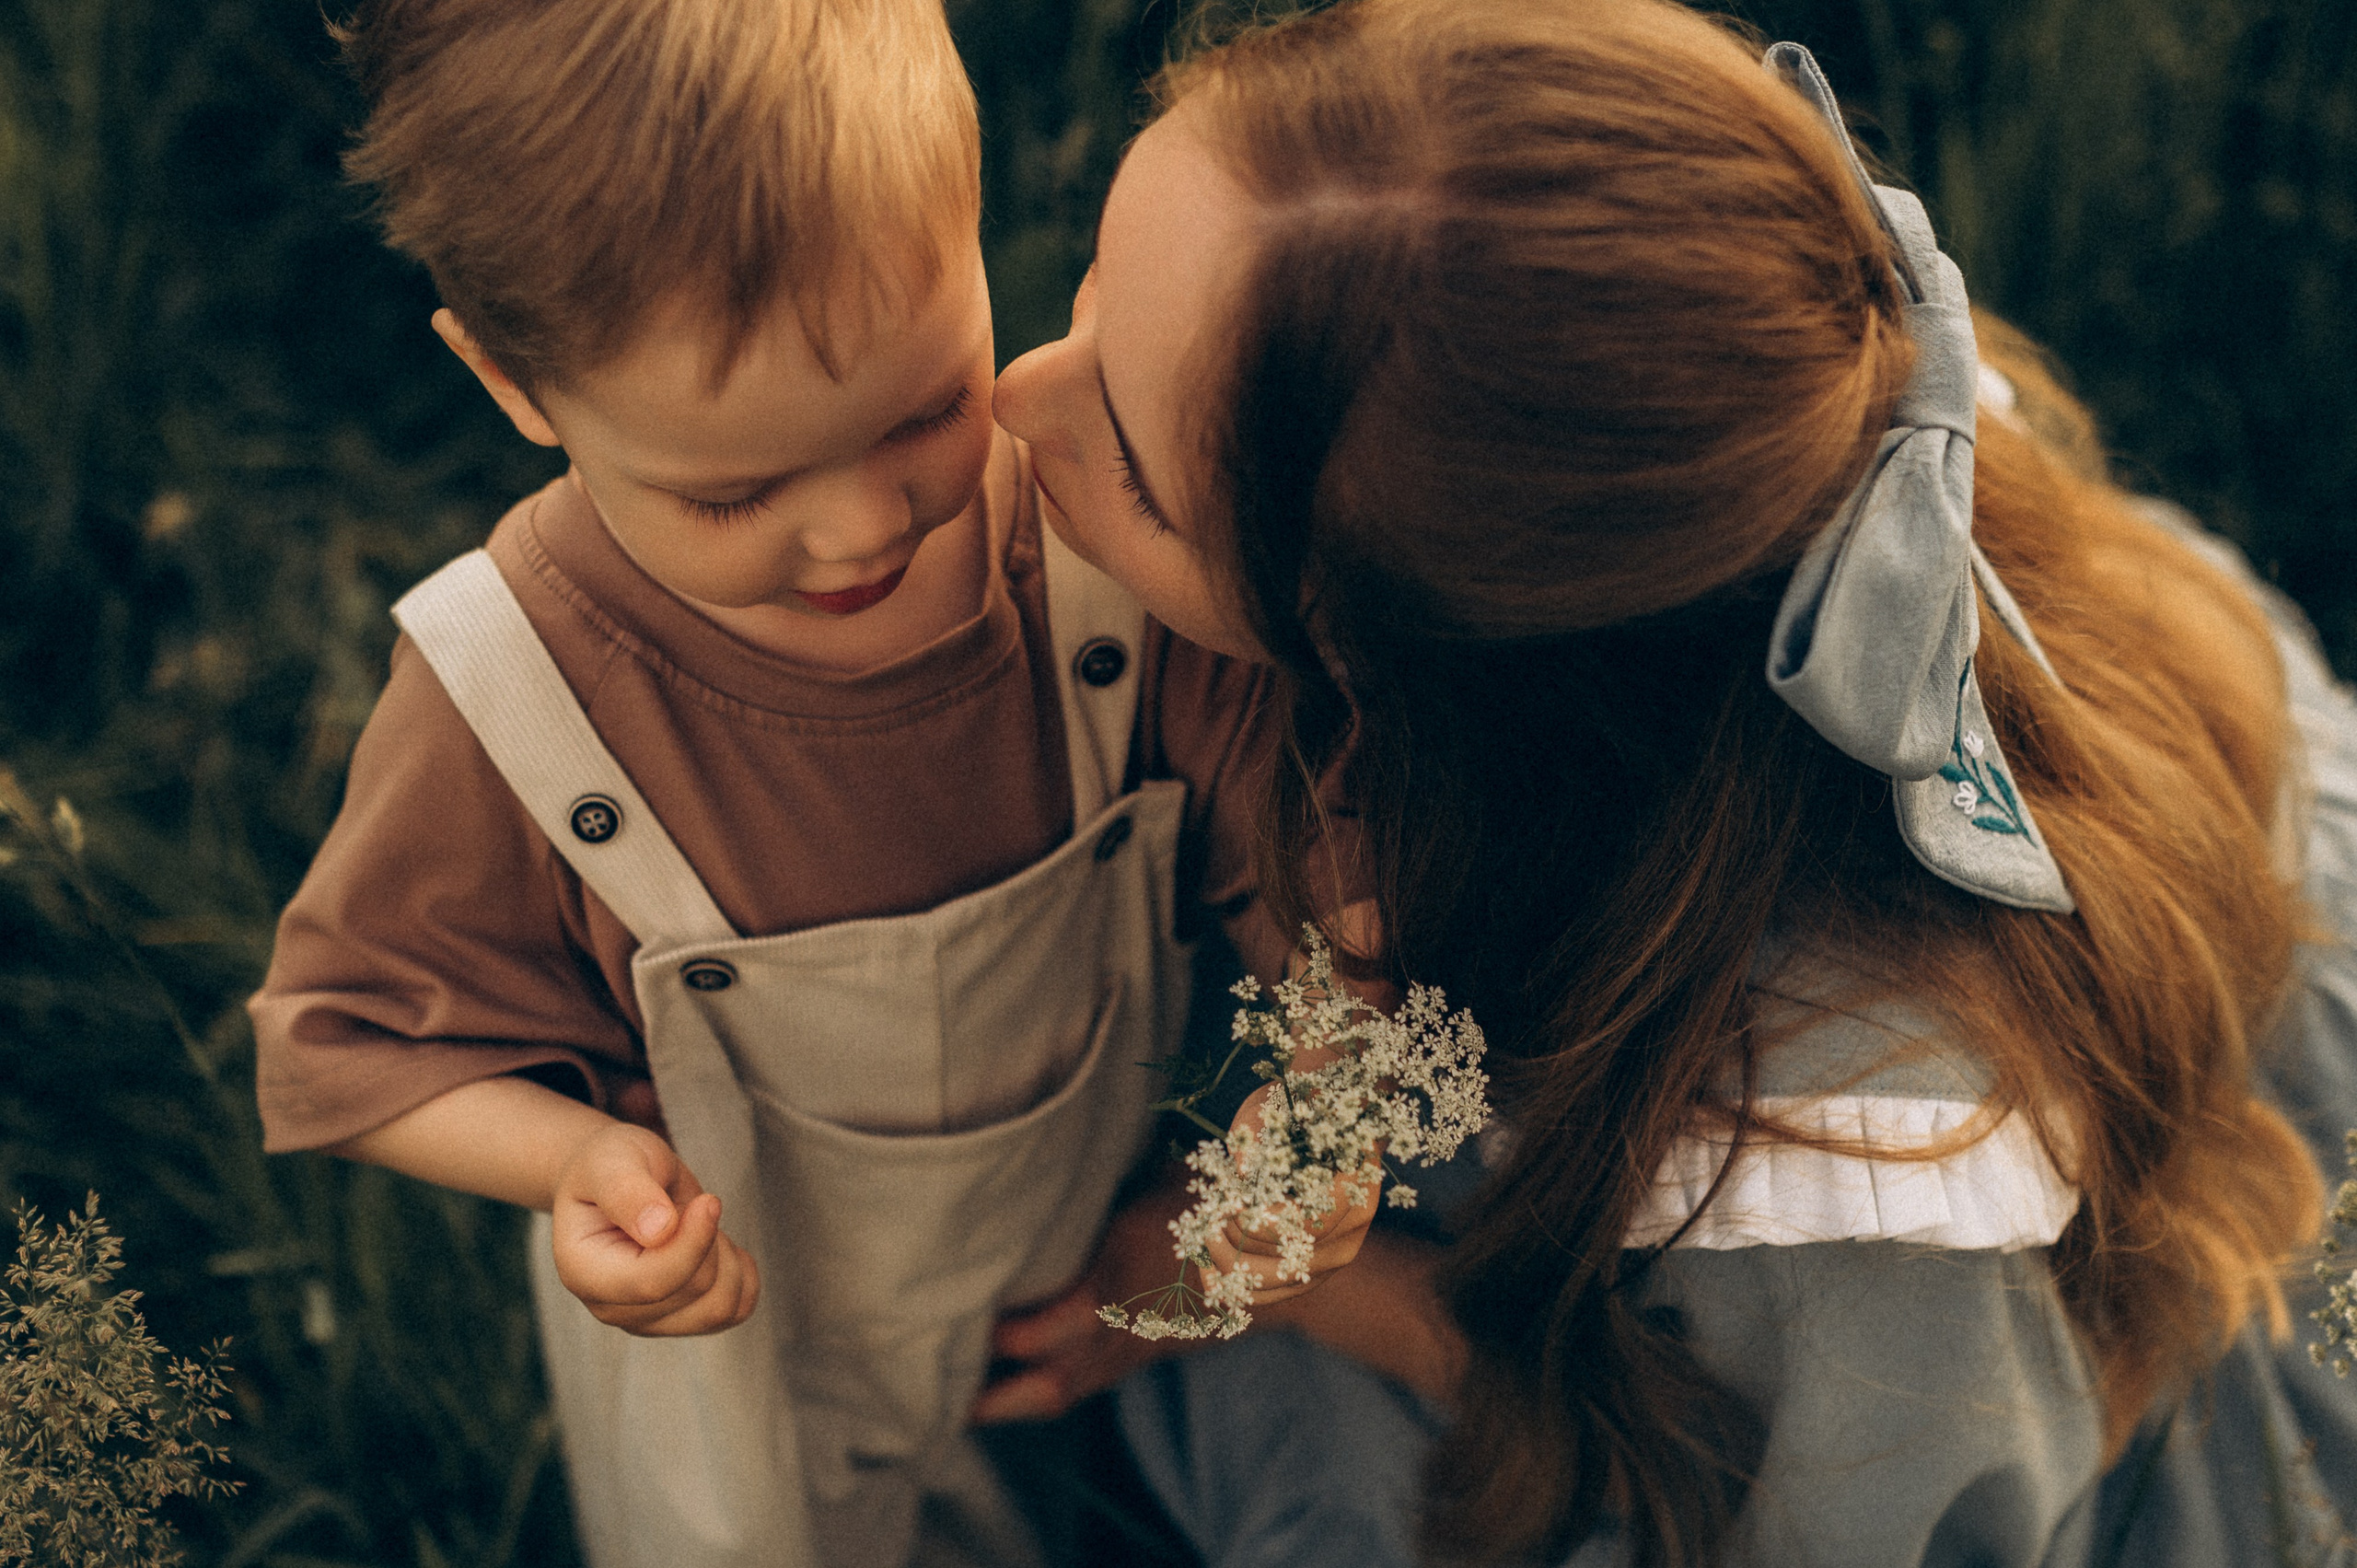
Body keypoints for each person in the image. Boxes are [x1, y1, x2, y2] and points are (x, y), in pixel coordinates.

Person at [989, 0, 2357, 1562]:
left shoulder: (1858, 1167)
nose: (1017, 394)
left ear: (1428, 668)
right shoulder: (1754, 444)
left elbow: (1763, 1492)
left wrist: (1326, 1288)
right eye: (1089, 292)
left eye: (1136, 469)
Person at [247, 4, 1293, 1567]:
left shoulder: (1090, 560)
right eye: (733, 494)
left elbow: (1303, 869)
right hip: (736, 1358)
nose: (863, 528)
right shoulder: (516, 699)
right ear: (512, 381)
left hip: (1070, 1271)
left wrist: (1304, 1114)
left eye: (925, 410)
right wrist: (575, 1160)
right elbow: (350, 1037)